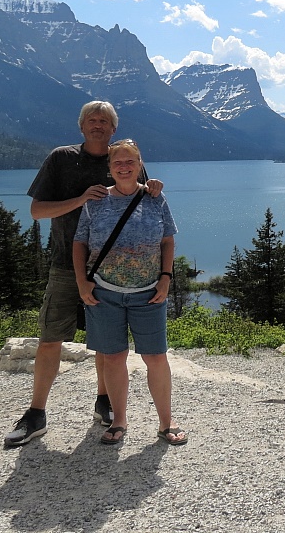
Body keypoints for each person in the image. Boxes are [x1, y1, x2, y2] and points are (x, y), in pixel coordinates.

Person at [4, 101, 163, 448]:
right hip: (66, 264)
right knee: (50, 338)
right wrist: (80, 200)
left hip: (111, 274)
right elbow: (36, 210)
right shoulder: (61, 158)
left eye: (104, 121)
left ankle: (104, 402)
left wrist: (153, 189)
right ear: (81, 126)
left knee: (107, 346)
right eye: (92, 121)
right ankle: (35, 413)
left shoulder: (124, 158)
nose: (98, 126)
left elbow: (146, 198)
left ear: (113, 128)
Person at [73, 138, 187, 446]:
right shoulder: (95, 201)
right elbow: (79, 243)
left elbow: (167, 240)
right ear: (110, 168)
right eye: (117, 163)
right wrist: (82, 283)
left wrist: (165, 278)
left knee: (155, 357)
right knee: (113, 357)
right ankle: (119, 420)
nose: (124, 167)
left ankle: (166, 422)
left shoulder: (155, 198)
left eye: (130, 162)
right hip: (104, 294)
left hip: (148, 293)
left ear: (139, 165)